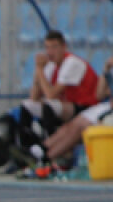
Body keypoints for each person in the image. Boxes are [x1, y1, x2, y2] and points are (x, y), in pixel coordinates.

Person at [13, 34, 103, 177]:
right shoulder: (50, 66)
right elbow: (34, 97)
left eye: (54, 47)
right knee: (27, 106)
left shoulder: (72, 63)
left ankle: (47, 154)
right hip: (65, 107)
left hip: (85, 106)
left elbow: (51, 94)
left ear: (63, 47)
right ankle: (29, 150)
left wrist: (40, 71)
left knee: (50, 105)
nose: (50, 52)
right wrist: (38, 70)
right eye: (47, 47)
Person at [37, 55, 112, 171]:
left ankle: (45, 158)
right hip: (106, 107)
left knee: (80, 127)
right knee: (72, 124)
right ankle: (42, 148)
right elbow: (99, 94)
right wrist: (106, 69)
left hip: (109, 110)